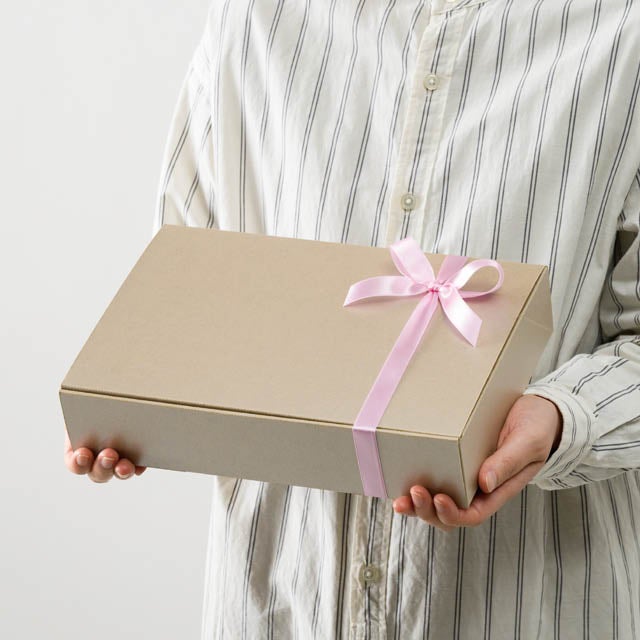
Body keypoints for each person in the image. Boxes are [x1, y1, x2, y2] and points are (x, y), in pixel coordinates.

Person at [65, 0, 640, 637]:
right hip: (282, 598)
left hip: (526, 602)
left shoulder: (622, 33)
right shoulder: (253, 19)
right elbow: (183, 284)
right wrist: (138, 403)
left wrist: (564, 419)